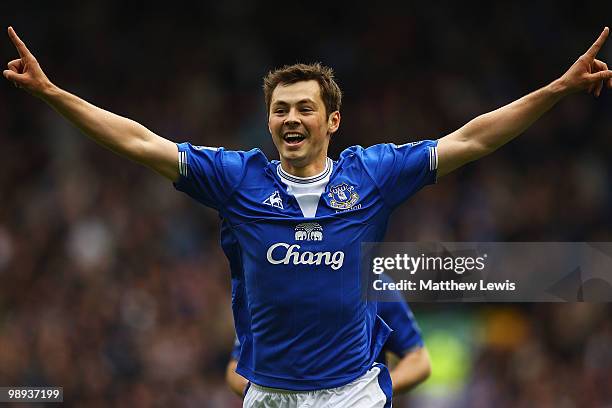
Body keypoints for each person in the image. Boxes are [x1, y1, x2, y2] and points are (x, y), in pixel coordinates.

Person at [4, 25, 611, 407]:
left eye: (303, 108)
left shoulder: (372, 174)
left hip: (351, 394)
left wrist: (555, 91)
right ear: (269, 122)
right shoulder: (236, 178)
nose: (290, 118)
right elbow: (139, 142)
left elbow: (472, 140)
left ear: (332, 120)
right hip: (268, 395)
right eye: (279, 110)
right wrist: (56, 95)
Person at [225, 275, 431, 398]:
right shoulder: (272, 290)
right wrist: (269, 394)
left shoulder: (374, 283)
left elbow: (419, 359)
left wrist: (370, 394)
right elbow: (236, 367)